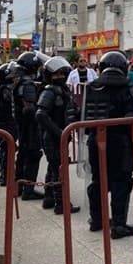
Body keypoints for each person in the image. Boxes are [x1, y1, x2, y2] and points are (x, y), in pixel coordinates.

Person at [83, 50, 133, 239]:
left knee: (98, 181)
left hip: (96, 141)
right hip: (121, 143)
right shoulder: (127, 89)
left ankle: (96, 219)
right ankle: (118, 225)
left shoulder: (92, 87)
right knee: (121, 183)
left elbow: (84, 117)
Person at [36, 57, 81, 214]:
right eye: (56, 75)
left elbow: (70, 110)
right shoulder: (49, 91)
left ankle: (49, 198)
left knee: (53, 167)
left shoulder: (63, 91)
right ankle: (61, 204)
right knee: (58, 170)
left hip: (60, 136)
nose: (60, 77)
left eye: (62, 74)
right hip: (52, 137)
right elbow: (40, 114)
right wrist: (58, 132)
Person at [14, 51, 46, 200]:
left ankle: (19, 186)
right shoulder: (27, 84)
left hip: (22, 125)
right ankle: (28, 189)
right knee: (33, 154)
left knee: (23, 154)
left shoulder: (19, 81)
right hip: (29, 126)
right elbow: (29, 108)